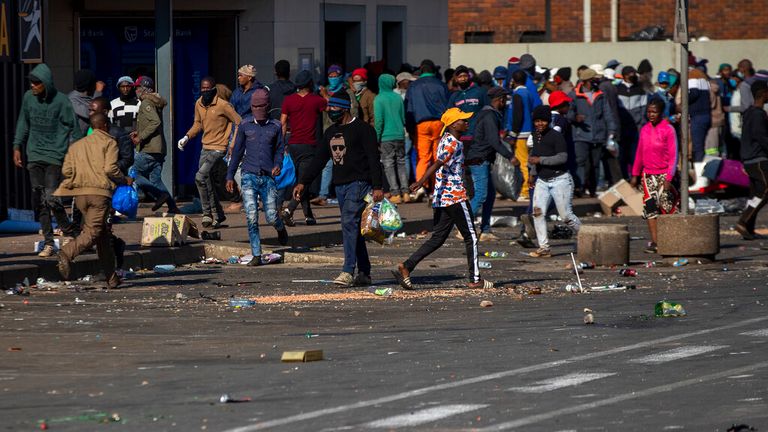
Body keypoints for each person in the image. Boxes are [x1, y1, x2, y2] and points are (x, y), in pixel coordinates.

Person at [391, 107, 494, 290]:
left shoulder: (447, 139)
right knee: (471, 236)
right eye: (463, 120)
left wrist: (469, 162)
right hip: (455, 196)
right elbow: (437, 163)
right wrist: (421, 181)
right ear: (454, 124)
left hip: (442, 197)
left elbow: (449, 164)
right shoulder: (453, 142)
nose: (466, 123)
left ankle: (406, 267)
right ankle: (475, 278)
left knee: (437, 238)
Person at [292, 91, 384, 287]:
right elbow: (319, 160)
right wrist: (303, 182)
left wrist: (378, 186)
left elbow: (373, 159)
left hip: (359, 184)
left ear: (344, 108)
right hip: (340, 186)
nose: (329, 111)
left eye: (333, 107)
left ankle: (347, 270)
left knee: (348, 223)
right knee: (354, 229)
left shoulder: (363, 130)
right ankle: (365, 272)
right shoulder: (330, 132)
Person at [54, 113, 132, 289]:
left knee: (102, 236)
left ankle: (112, 278)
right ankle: (67, 252)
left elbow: (67, 169)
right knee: (93, 232)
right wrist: (124, 179)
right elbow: (111, 168)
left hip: (80, 196)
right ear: (105, 126)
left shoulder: (80, 145)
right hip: (99, 194)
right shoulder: (109, 142)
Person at [13, 63, 82, 257]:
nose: (33, 86)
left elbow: (74, 129)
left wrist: (74, 154)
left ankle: (69, 231)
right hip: (34, 154)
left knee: (52, 197)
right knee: (39, 199)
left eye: (37, 83)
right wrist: (17, 146)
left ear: (46, 83)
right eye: (31, 83)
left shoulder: (61, 101)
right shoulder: (28, 98)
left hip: (54, 155)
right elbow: (22, 123)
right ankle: (49, 242)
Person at [226, 88, 289, 264]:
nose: (258, 109)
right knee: (251, 215)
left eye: (261, 106)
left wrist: (278, 165)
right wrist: (230, 175)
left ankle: (280, 227)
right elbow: (237, 152)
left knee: (270, 215)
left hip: (268, 178)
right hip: (249, 175)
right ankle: (256, 253)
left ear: (268, 106)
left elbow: (279, 151)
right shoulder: (245, 125)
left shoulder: (275, 126)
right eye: (255, 106)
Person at [178, 76, 242, 228]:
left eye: (208, 89)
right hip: (205, 147)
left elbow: (239, 122)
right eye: (203, 88)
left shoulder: (223, 105)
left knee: (200, 176)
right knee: (206, 181)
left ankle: (207, 213)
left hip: (219, 148)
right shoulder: (199, 103)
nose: (205, 91)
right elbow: (198, 123)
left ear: (214, 89)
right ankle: (218, 214)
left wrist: (232, 143)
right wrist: (187, 137)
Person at [528, 105, 581, 258]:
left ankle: (587, 235)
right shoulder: (536, 135)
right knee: (537, 213)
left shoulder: (556, 136)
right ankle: (544, 248)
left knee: (566, 216)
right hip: (542, 181)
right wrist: (532, 174)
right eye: (536, 121)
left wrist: (541, 160)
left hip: (560, 180)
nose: (539, 124)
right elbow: (535, 155)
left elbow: (562, 157)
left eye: (542, 121)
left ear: (548, 121)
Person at [468, 86, 518, 240]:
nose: (506, 103)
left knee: (489, 195)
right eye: (505, 99)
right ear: (500, 99)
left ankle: (485, 230)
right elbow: (494, 141)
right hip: (479, 159)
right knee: (481, 194)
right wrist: (510, 156)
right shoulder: (490, 116)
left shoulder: (489, 114)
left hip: (483, 159)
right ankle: (463, 224)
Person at [630, 98, 679, 254]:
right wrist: (635, 174)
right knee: (651, 209)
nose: (651, 114)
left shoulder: (668, 130)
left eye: (654, 112)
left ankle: (672, 241)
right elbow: (640, 152)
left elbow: (673, 156)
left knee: (667, 208)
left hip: (664, 174)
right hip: (648, 175)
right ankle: (656, 242)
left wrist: (668, 178)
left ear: (661, 112)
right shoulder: (644, 129)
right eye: (649, 111)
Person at [280, 70, 328, 226]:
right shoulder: (316, 100)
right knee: (305, 181)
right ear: (310, 84)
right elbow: (331, 105)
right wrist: (324, 92)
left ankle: (308, 216)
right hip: (309, 145)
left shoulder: (288, 100)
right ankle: (289, 210)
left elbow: (283, 123)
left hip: (292, 144)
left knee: (301, 179)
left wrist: (281, 144)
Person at [130, 76, 180, 214]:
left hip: (149, 149)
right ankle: (172, 206)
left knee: (134, 174)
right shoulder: (153, 102)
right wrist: (138, 132)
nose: (135, 90)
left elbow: (155, 122)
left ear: (144, 89)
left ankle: (160, 195)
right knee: (155, 179)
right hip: (158, 148)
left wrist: (140, 137)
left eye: (137, 87)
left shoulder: (146, 102)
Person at [568, 67, 618, 197]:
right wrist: (575, 118)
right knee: (581, 162)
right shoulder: (574, 95)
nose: (596, 82)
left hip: (598, 136)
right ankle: (580, 188)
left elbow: (608, 114)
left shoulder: (600, 94)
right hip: (581, 135)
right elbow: (568, 113)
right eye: (593, 80)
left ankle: (592, 189)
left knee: (595, 164)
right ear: (585, 81)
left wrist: (611, 131)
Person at [316, 65, 359, 206]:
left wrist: (327, 98)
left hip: (345, 133)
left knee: (344, 161)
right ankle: (323, 194)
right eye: (331, 76)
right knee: (327, 164)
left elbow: (353, 113)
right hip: (328, 132)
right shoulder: (324, 91)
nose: (333, 78)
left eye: (336, 76)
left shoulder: (347, 92)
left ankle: (342, 193)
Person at [405, 59, 449, 199]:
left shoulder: (413, 86)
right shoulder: (441, 85)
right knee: (438, 157)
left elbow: (409, 108)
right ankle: (438, 186)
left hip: (421, 124)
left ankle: (420, 186)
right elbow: (448, 105)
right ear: (433, 70)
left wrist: (410, 128)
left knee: (422, 156)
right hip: (439, 123)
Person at [735, 80, 768, 240]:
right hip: (758, 159)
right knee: (766, 190)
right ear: (762, 94)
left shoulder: (749, 112)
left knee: (755, 194)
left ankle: (748, 227)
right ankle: (743, 221)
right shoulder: (757, 114)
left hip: (749, 159)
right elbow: (761, 137)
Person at [374, 73, 410, 204]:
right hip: (400, 134)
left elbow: (379, 121)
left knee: (388, 164)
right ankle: (406, 192)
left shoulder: (379, 99)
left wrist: (376, 138)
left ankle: (395, 193)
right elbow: (403, 117)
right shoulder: (398, 98)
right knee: (401, 162)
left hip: (386, 136)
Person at [507, 69, 536, 200]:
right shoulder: (528, 93)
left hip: (521, 133)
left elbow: (517, 115)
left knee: (522, 162)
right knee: (528, 162)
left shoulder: (518, 94)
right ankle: (528, 189)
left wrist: (513, 134)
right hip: (529, 131)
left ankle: (525, 191)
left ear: (513, 80)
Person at [448, 65, 489, 154]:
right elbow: (450, 119)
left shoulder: (480, 92)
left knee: (478, 164)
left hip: (478, 136)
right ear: (455, 79)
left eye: (465, 76)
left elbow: (488, 111)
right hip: (461, 138)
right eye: (460, 77)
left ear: (469, 77)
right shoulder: (454, 97)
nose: (463, 79)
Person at [617, 65, 649, 178]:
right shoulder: (617, 89)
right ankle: (624, 178)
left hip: (635, 128)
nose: (633, 76)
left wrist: (641, 124)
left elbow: (643, 109)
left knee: (634, 155)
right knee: (622, 156)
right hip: (621, 128)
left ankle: (636, 177)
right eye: (630, 74)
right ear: (625, 76)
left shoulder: (640, 90)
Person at [68, 69, 105, 136]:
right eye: (94, 82)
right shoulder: (72, 99)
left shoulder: (89, 97)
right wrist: (98, 92)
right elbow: (90, 113)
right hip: (75, 141)